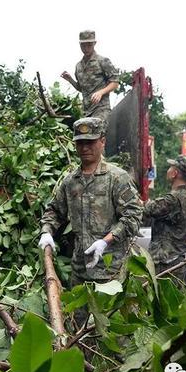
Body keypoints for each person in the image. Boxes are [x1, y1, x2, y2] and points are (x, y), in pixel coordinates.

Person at [39, 118, 142, 326]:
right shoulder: (70, 182)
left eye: (90, 142)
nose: (85, 147)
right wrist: (47, 231)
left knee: (111, 328)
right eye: (80, 143)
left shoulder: (116, 178)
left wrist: (106, 241)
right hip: (80, 271)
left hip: (111, 270)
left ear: (102, 141)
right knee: (80, 326)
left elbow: (134, 216)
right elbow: (54, 211)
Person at [143, 154, 186, 284]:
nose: (168, 170)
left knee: (160, 300)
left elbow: (148, 209)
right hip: (176, 260)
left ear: (175, 173)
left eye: (171, 167)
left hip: (164, 262)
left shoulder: (173, 199)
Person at [61, 30, 119, 121]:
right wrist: (70, 80)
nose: (86, 48)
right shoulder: (78, 66)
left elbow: (115, 83)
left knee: (99, 134)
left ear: (94, 43)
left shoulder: (102, 61)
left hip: (101, 109)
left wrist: (101, 92)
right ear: (80, 45)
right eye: (83, 45)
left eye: (89, 45)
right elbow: (81, 89)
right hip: (86, 112)